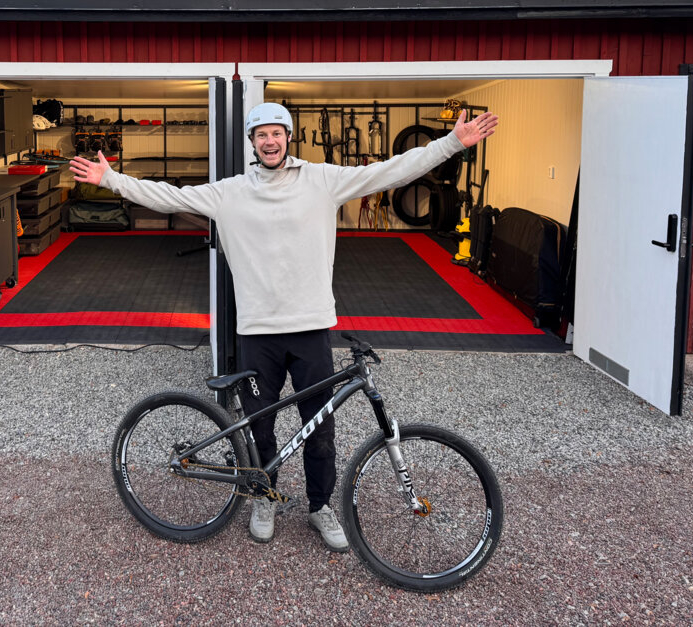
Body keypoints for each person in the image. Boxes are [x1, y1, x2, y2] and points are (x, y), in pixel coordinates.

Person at [71, 102, 498, 551]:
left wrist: (452, 143)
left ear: (289, 137)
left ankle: (320, 506)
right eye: (261, 135)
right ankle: (264, 498)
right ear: (252, 143)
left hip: (311, 329)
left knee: (320, 428)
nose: (269, 141)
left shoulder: (323, 180)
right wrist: (112, 180)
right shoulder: (229, 193)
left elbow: (391, 171)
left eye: (277, 133)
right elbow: (168, 196)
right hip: (257, 333)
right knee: (261, 427)